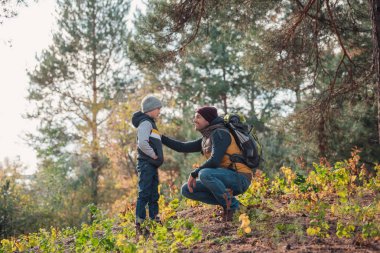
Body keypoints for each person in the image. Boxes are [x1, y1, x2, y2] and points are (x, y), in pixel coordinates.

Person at [161, 106, 252, 221]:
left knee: (204, 174)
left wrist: (195, 173)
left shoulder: (220, 134)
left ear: (207, 120)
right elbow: (181, 147)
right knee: (187, 189)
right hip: (224, 178)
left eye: (198, 117)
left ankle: (234, 207)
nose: (194, 120)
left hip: (240, 178)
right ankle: (231, 205)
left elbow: (215, 160)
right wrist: (160, 137)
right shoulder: (207, 138)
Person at [131, 95, 163, 233]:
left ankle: (154, 219)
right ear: (150, 109)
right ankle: (140, 223)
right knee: (144, 192)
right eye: (158, 108)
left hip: (151, 165)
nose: (159, 111)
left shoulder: (151, 123)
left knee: (153, 194)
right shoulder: (145, 123)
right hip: (146, 164)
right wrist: (153, 155)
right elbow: (142, 143)